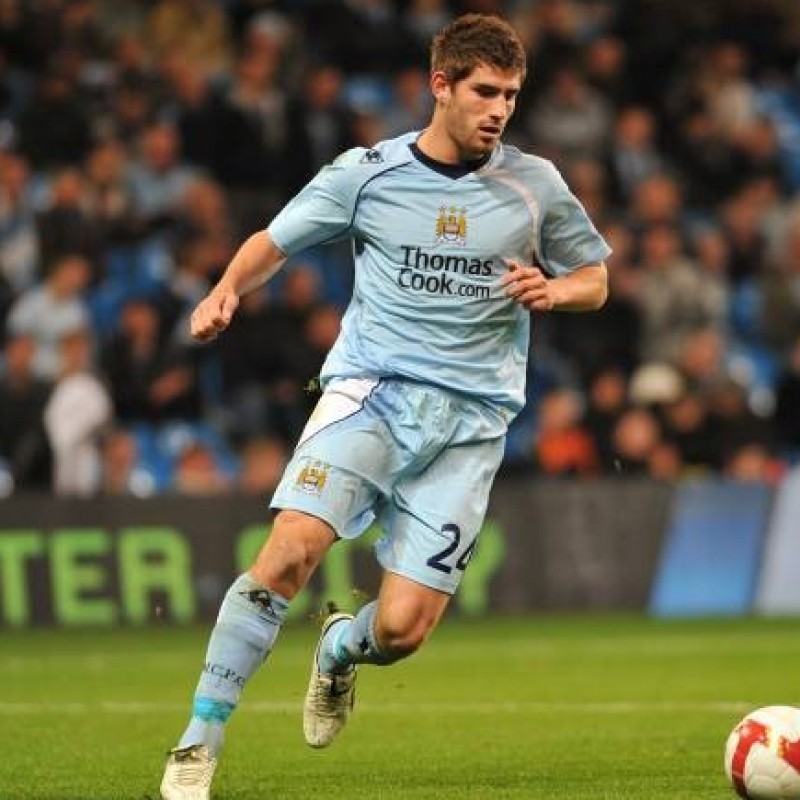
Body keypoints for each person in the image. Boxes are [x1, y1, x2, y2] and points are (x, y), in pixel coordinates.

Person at [160, 13, 611, 800]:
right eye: (483, 92)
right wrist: (227, 287)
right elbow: (275, 239)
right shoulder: (365, 173)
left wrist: (557, 289)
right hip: (372, 394)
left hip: (471, 425)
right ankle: (197, 742)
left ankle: (340, 646)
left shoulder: (535, 185)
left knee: (401, 632)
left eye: (510, 94)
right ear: (441, 85)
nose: (499, 109)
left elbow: (596, 279)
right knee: (291, 548)